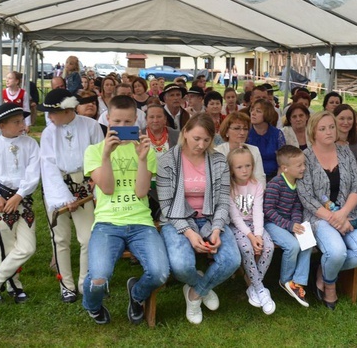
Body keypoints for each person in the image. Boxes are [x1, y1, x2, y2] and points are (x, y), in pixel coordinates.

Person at [80, 94, 169, 325]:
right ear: (107, 119)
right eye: (117, 122)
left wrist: (141, 160)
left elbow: (141, 193)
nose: (122, 127)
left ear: (137, 121)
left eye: (128, 122)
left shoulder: (146, 150)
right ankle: (93, 306)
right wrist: (107, 155)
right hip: (107, 223)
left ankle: (136, 295)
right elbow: (107, 189)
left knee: (160, 273)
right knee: (98, 278)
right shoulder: (93, 151)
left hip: (141, 222)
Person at [157, 114, 241, 325]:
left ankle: (195, 294)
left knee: (232, 260)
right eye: (196, 138)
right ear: (185, 133)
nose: (201, 144)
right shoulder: (167, 160)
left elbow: (223, 201)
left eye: (206, 140)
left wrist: (216, 230)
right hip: (177, 218)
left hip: (211, 218)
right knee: (181, 265)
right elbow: (167, 206)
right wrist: (189, 233)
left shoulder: (218, 160)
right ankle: (204, 285)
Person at [297, 111, 357, 310]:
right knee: (337, 252)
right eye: (322, 128)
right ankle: (330, 285)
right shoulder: (305, 157)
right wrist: (334, 219)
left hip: (349, 213)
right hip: (319, 217)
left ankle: (324, 272)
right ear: (313, 132)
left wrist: (343, 214)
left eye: (331, 127)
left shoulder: (345, 152)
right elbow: (306, 197)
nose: (329, 131)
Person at [39, 89, 104, 303]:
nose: (49, 118)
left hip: (84, 184)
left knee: (87, 237)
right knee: (60, 238)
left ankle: (85, 282)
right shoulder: (49, 132)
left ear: (67, 110)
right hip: (56, 185)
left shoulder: (91, 126)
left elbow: (102, 156)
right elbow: (47, 165)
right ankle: (66, 284)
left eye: (52, 113)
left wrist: (92, 184)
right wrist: (65, 197)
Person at [0, 103, 40, 304]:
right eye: (17, 122)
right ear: (2, 125)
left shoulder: (30, 144)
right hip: (2, 202)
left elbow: (33, 173)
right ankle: (13, 286)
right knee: (7, 246)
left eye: (22, 120)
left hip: (23, 200)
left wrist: (20, 195)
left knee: (27, 247)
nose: (22, 125)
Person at [227, 147, 276, 315]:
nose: (244, 170)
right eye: (239, 167)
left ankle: (254, 287)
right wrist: (250, 236)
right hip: (238, 226)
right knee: (247, 248)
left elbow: (257, 212)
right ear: (231, 169)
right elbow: (235, 217)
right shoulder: (229, 188)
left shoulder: (256, 185)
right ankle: (260, 289)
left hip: (256, 225)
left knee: (268, 247)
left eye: (248, 166)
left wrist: (258, 235)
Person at [264, 146, 312, 307]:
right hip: (272, 224)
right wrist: (289, 225)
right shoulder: (275, 184)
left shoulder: (298, 184)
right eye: (299, 165)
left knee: (307, 243)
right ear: (285, 168)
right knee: (292, 246)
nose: (303, 168)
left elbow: (297, 208)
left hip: (289, 224)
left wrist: (296, 224)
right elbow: (268, 210)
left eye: (303, 164)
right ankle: (285, 280)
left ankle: (298, 282)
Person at [215, 112, 266, 185]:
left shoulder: (254, 150)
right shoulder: (218, 152)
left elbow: (260, 178)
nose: (242, 132)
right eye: (237, 128)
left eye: (245, 129)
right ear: (226, 131)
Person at [247, 98, 286, 179]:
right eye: (252, 110)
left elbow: (283, 162)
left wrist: (276, 182)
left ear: (267, 114)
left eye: (258, 111)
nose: (253, 113)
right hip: (250, 177)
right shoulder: (246, 133)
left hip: (273, 177)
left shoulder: (277, 134)